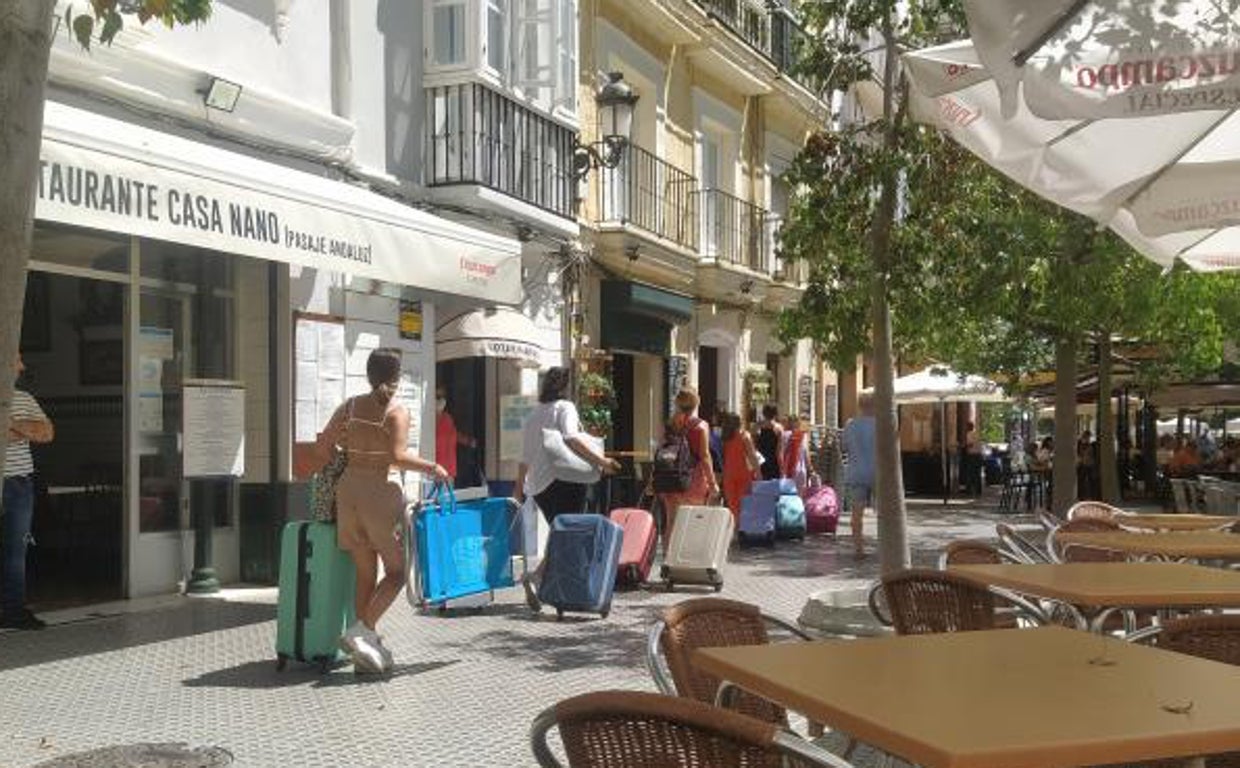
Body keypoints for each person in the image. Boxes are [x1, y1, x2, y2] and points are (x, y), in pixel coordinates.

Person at [316, 348, 448, 674]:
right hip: (380, 495)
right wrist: (434, 468)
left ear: (368, 373)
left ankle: (365, 650)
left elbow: (324, 445)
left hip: (348, 492)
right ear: (397, 377)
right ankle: (361, 632)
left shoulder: (349, 407)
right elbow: (397, 457)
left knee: (364, 574)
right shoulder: (396, 412)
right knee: (397, 573)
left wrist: (346, 452)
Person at [516, 367, 619, 610]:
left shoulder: (533, 415)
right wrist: (602, 462)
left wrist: (518, 489)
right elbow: (571, 438)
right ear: (566, 387)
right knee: (569, 536)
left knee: (559, 533)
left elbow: (524, 458)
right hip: (565, 480)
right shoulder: (565, 408)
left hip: (539, 486)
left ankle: (537, 578)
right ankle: (569, 589)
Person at [2, 354, 53, 630]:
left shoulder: (23, 398)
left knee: (15, 550)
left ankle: (12, 611)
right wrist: (23, 430)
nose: (22, 366)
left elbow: (47, 432)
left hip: (18, 484)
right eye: (16, 360)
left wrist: (11, 424)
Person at [657, 386, 719, 547]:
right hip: (694, 479)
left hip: (670, 476)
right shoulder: (700, 426)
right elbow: (705, 456)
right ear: (696, 403)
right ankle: (687, 558)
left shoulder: (671, 423)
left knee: (671, 521)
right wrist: (713, 483)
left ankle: (667, 559)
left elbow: (661, 449)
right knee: (694, 520)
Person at [841, 394, 877, 558]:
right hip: (878, 473)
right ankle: (885, 547)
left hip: (856, 472)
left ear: (859, 406)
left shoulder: (850, 425)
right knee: (884, 513)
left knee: (857, 513)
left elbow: (844, 447)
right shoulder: (880, 424)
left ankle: (858, 549)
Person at [720, 412, 760, 522]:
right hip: (743, 473)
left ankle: (734, 529)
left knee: (732, 505)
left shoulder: (724, 437)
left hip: (728, 474)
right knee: (743, 504)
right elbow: (752, 456)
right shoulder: (744, 435)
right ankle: (740, 530)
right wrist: (758, 473)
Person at [433, 386, 475, 485]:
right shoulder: (428, 421)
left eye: (443, 396)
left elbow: (454, 435)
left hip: (450, 472)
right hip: (435, 472)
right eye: (438, 396)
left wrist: (469, 441)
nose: (441, 400)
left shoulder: (447, 418)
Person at [754, 404, 784, 481]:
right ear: (775, 414)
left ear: (763, 413)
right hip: (773, 463)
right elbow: (779, 451)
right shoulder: (779, 428)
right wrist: (782, 468)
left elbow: (753, 447)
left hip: (760, 462)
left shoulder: (757, 427)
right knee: (774, 490)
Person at [782, 416, 810, 495]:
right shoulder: (803, 436)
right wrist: (810, 468)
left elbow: (780, 452)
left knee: (786, 495)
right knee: (800, 497)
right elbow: (806, 454)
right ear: (798, 424)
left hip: (787, 469)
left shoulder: (783, 435)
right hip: (800, 470)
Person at [963, 421, 983, 496]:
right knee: (977, 473)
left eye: (967, 426)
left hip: (972, 455)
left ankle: (970, 490)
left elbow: (970, 444)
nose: (966, 428)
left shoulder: (969, 434)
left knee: (971, 473)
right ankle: (978, 490)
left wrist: (964, 446)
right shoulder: (977, 434)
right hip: (978, 455)